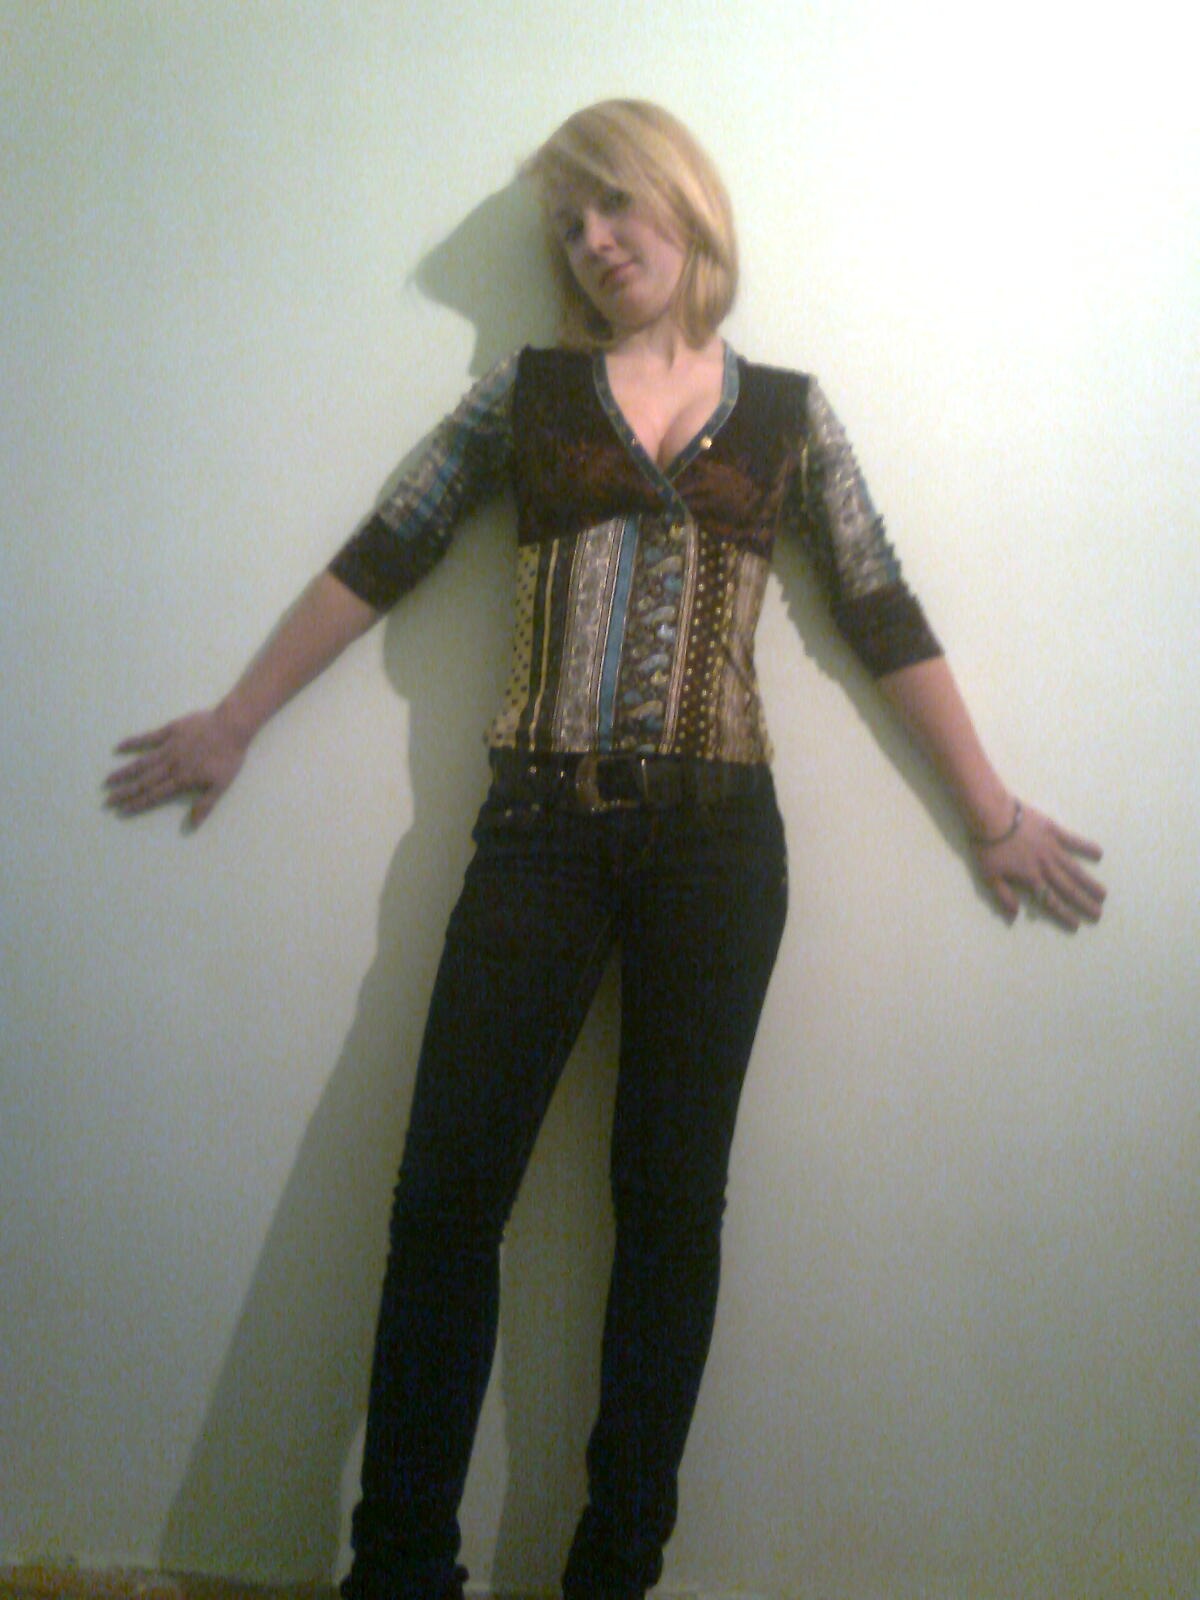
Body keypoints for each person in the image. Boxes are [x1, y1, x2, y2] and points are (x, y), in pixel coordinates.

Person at [106, 100, 1105, 1600]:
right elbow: (386, 550)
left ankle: (615, 1569)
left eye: (613, 205)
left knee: (670, 1215)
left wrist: (993, 812)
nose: (592, 241)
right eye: (569, 226)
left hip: (720, 847)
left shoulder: (788, 415)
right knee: (446, 1201)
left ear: (683, 202)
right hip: (539, 834)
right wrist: (238, 719)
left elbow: (880, 606)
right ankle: (400, 1567)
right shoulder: (528, 397)